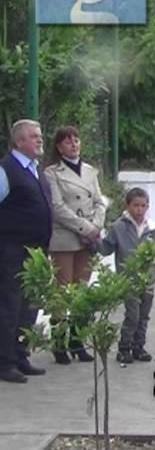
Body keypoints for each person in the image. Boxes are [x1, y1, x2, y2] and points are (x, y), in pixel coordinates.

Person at [44, 126, 105, 364]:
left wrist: (96, 226)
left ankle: (78, 341)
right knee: (63, 292)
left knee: (81, 291)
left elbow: (100, 202)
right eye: (68, 141)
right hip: (65, 238)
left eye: (76, 140)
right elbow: (58, 208)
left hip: (88, 238)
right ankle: (59, 344)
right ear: (59, 147)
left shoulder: (90, 171)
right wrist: (85, 228)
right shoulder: (52, 173)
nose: (74, 144)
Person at [0, 120, 50, 383]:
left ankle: (20, 355)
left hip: (36, 252)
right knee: (9, 306)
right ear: (19, 142)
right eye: (34, 136)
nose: (40, 140)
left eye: (40, 135)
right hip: (11, 251)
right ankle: (4, 362)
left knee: (29, 307)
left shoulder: (34, 169)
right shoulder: (6, 169)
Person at [98, 188, 155, 364]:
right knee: (133, 315)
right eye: (135, 205)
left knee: (144, 315)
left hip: (147, 281)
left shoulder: (152, 229)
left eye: (143, 206)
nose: (139, 210)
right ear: (127, 206)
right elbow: (106, 248)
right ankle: (124, 347)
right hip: (128, 279)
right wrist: (94, 239)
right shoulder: (118, 227)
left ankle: (139, 346)